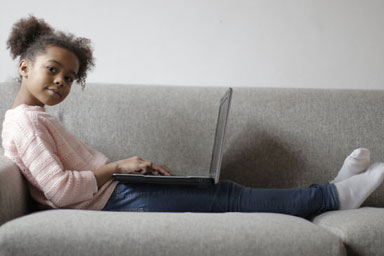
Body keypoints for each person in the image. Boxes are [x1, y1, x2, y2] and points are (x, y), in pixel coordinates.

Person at [2, 16, 384, 218]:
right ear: (23, 67)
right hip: (113, 199)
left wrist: (129, 169)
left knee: (224, 191)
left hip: (116, 190)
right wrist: (119, 166)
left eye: (69, 77)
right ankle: (332, 196)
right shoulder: (26, 122)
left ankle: (331, 193)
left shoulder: (33, 118)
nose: (61, 81)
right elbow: (61, 191)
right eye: (52, 70)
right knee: (230, 198)